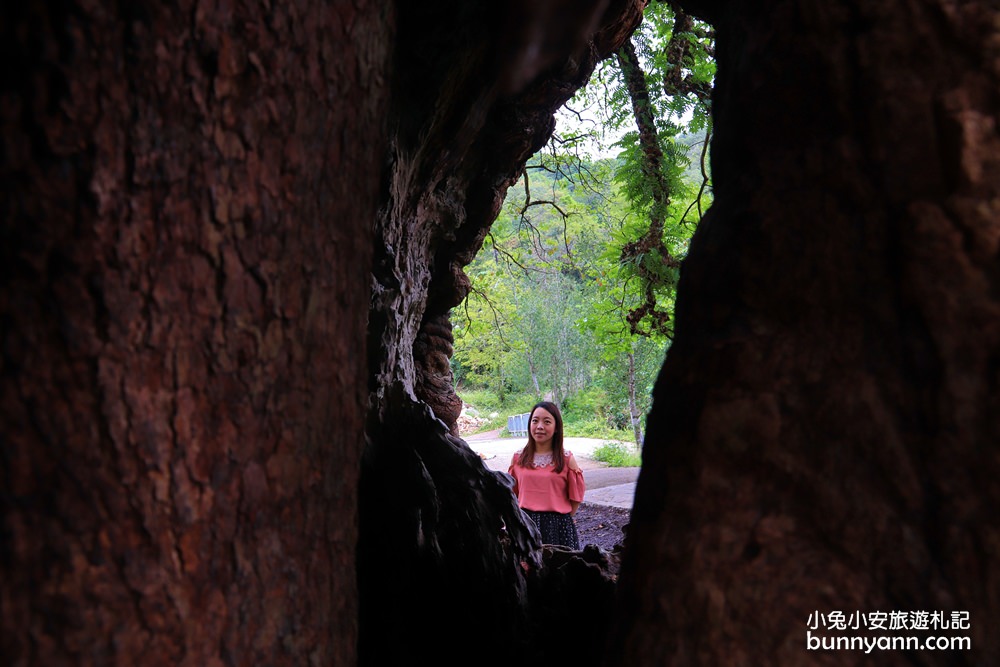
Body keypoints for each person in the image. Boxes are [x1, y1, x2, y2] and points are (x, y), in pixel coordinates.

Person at [508, 401, 585, 549]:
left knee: (560, 570)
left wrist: (561, 519)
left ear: (556, 427)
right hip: (525, 524)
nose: (540, 426)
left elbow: (575, 498)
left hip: (559, 526)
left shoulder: (566, 459)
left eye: (547, 422)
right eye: (535, 421)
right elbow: (512, 493)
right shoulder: (518, 458)